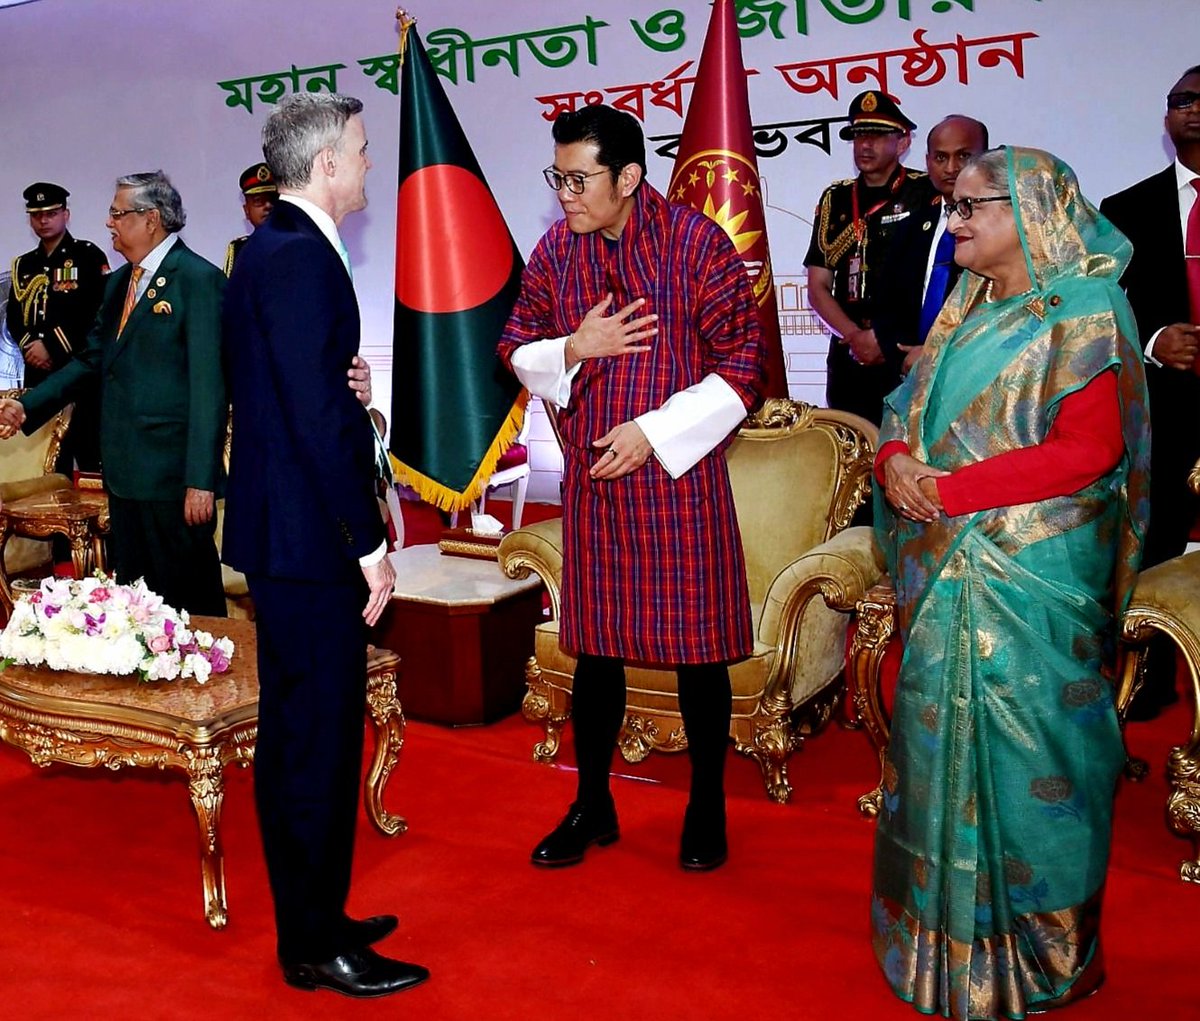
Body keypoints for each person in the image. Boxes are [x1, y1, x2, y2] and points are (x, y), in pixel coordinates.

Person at [870, 146, 1149, 1019]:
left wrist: (947, 489)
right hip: (944, 565)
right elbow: (904, 405)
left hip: (1029, 576)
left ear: (1030, 212)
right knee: (930, 756)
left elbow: (1089, 452)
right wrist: (892, 462)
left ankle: (1044, 952)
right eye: (953, 207)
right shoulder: (968, 303)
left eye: (971, 207)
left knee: (1038, 762)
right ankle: (939, 943)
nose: (954, 222)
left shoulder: (1086, 311)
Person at [497, 104, 765, 872]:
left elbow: (743, 365)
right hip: (593, 485)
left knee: (700, 655)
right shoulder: (556, 251)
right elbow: (514, 348)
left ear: (630, 177)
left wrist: (653, 432)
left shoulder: (696, 243)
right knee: (595, 655)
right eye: (558, 178)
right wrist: (573, 347)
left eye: (579, 180)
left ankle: (707, 802)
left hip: (679, 486)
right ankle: (592, 800)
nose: (565, 195)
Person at [222, 92, 428, 998]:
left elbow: (293, 387)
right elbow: (308, 416)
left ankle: (318, 915)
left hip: (282, 532)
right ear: (324, 166)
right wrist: (367, 542)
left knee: (298, 736)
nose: (367, 162)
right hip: (312, 542)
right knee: (316, 741)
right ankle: (313, 945)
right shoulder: (302, 258)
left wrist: (349, 387)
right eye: (358, 147)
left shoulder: (268, 250)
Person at [0, 171, 228, 616]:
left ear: (152, 219)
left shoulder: (197, 279)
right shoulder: (118, 282)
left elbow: (209, 385)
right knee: (139, 608)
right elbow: (89, 361)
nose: (109, 224)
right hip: (123, 475)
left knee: (190, 605)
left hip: (173, 478)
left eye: (118, 214)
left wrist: (200, 479)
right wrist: (25, 407)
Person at [1100, 64, 1200, 719]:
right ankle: (1149, 681)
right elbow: (1106, 311)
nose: (1193, 108)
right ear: (1166, 120)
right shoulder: (1125, 209)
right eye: (1181, 100)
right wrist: (1154, 340)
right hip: (1166, 407)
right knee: (1156, 542)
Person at [804, 90, 927, 425]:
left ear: (902, 143)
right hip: (849, 354)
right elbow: (818, 286)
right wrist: (856, 339)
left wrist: (882, 341)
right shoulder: (836, 198)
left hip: (905, 350)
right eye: (858, 135)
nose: (864, 145)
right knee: (852, 449)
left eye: (876, 135)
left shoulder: (925, 192)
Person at [873, 115, 989, 379]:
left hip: (973, 376)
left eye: (964, 156)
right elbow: (885, 306)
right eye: (940, 158)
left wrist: (934, 355)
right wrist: (902, 358)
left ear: (986, 158)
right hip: (907, 379)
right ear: (927, 162)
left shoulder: (1002, 229)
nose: (951, 167)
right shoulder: (910, 228)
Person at [5, 182, 109, 471]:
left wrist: (50, 345)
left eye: (51, 213)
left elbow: (97, 311)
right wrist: (31, 346)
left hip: (79, 369)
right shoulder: (23, 265)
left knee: (90, 456)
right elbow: (15, 315)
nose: (44, 220)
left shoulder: (88, 256)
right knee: (46, 461)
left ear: (66, 214)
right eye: (37, 214)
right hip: (39, 374)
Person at [223, 162, 277, 276]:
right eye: (258, 201)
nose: (268, 205)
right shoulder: (238, 250)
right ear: (246, 210)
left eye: (273, 199)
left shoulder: (298, 243)